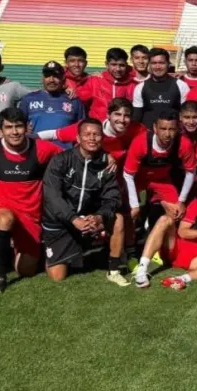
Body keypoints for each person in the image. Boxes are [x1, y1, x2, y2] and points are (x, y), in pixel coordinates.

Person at [0, 108, 63, 292]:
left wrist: (104, 157)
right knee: (4, 219)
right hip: (1, 208)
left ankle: (16, 248)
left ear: (27, 127)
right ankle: (0, 276)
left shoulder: (41, 148)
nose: (14, 132)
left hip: (30, 215)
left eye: (18, 126)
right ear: (0, 131)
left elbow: (70, 158)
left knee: (26, 270)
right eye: (8, 127)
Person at [41, 119, 123, 282]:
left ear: (102, 138)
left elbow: (113, 198)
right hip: (61, 222)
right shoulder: (61, 160)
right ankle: (50, 250)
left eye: (96, 135)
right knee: (58, 277)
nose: (92, 138)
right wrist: (73, 219)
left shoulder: (107, 164)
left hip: (88, 219)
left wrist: (99, 216)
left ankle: (114, 270)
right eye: (87, 134)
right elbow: (52, 196)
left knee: (118, 219)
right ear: (78, 138)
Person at [124, 110, 197, 285]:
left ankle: (155, 244)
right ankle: (127, 250)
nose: (167, 133)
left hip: (161, 180)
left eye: (171, 129)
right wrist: (134, 205)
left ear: (178, 129)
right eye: (163, 128)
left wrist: (180, 200)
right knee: (127, 213)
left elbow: (190, 172)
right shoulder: (141, 142)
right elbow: (128, 175)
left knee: (176, 215)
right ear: (155, 128)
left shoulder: (183, 143)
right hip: (139, 178)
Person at [21, 61, 86, 149]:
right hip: (36, 153)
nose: (51, 80)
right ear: (42, 78)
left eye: (56, 76)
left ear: (63, 78)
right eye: (47, 76)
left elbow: (82, 128)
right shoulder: (28, 99)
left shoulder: (73, 100)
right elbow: (18, 125)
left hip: (65, 155)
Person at [132, 48, 190, 126]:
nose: (157, 66)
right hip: (147, 134)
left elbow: (186, 115)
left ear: (168, 64)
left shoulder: (181, 85)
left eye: (161, 63)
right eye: (154, 63)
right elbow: (136, 118)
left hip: (172, 134)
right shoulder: (140, 87)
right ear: (149, 64)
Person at [84, 47, 137, 122]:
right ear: (106, 64)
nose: (118, 69)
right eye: (113, 64)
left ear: (126, 65)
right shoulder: (95, 80)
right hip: (98, 127)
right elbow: (79, 98)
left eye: (121, 65)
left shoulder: (133, 84)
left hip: (122, 127)